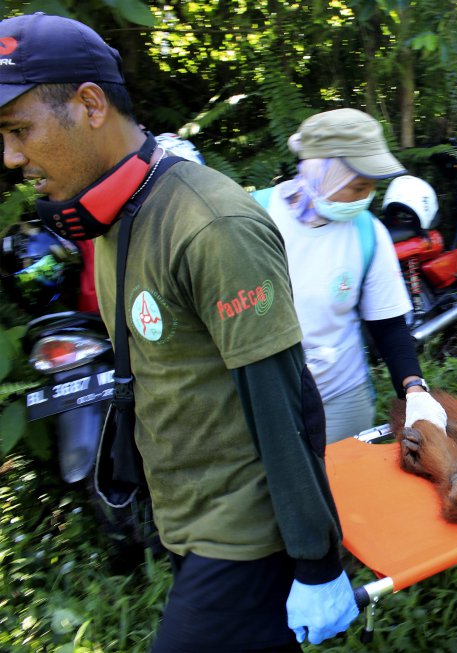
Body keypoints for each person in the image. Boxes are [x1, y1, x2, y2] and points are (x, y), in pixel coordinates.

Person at [0, 13, 358, 651]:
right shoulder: (112, 219)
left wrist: (315, 560)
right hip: (185, 522)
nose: (11, 157)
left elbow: (283, 401)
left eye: (20, 130)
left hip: (244, 538)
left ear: (89, 104)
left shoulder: (211, 224)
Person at [261, 108, 445, 443]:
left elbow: (388, 326)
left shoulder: (368, 233)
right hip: (267, 401)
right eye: (358, 186)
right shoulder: (253, 218)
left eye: (372, 188)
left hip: (342, 395)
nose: (365, 199)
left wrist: (415, 390)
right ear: (322, 171)